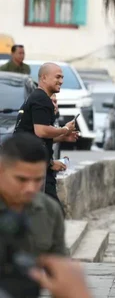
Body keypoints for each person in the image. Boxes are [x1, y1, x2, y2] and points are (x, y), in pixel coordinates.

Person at [14, 63, 78, 207]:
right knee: (49, 214)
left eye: (62, 77)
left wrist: (62, 137)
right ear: (44, 77)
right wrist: (64, 129)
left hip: (35, 165)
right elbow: (41, 131)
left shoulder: (37, 97)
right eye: (57, 77)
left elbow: (37, 136)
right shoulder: (41, 98)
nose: (61, 81)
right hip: (31, 166)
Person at [0, 133, 67, 255]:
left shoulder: (49, 210)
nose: (31, 188)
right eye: (22, 179)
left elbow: (59, 261)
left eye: (38, 180)